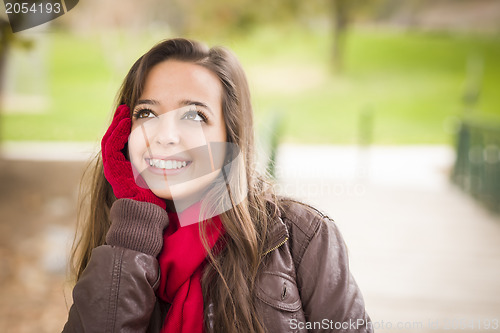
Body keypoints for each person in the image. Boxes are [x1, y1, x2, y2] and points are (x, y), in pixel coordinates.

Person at [62, 38, 373, 333]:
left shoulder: (304, 236)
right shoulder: (116, 232)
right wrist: (134, 225)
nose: (165, 135)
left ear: (229, 134)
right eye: (146, 113)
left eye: (195, 116)